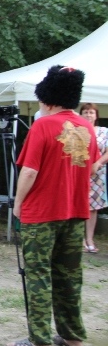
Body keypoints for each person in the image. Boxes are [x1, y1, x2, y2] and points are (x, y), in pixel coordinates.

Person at [5, 65, 99, 346]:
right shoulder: (86, 128)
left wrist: (18, 205)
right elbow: (93, 167)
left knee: (39, 274)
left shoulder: (42, 127)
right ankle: (73, 336)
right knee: (70, 275)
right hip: (75, 211)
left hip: (43, 213)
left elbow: (29, 171)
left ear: (47, 96)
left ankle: (41, 340)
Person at [79, 103, 107, 253]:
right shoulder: (76, 131)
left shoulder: (104, 131)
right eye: (85, 112)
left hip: (97, 173)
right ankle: (79, 239)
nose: (88, 115)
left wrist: (98, 163)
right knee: (78, 203)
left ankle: (90, 238)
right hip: (78, 172)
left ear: (96, 115)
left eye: (91, 112)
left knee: (93, 207)